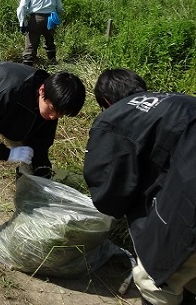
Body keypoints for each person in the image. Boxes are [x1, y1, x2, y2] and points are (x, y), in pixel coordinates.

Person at [84, 68, 196, 305]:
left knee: (155, 279)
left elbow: (109, 189)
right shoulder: (177, 100)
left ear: (106, 101)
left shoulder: (116, 116)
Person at [0, 61, 85, 253]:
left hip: (15, 116)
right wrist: (7, 153)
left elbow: (41, 145)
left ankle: (24, 217)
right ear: (41, 91)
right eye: (53, 109)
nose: (55, 117)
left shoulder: (51, 104)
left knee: (31, 163)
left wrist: (40, 172)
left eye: (61, 114)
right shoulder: (4, 92)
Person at [16, 0, 64, 66]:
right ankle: (53, 63)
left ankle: (27, 68)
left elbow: (22, 7)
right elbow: (60, 8)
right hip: (51, 18)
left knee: (31, 45)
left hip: (36, 19)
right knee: (50, 41)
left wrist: (22, 22)